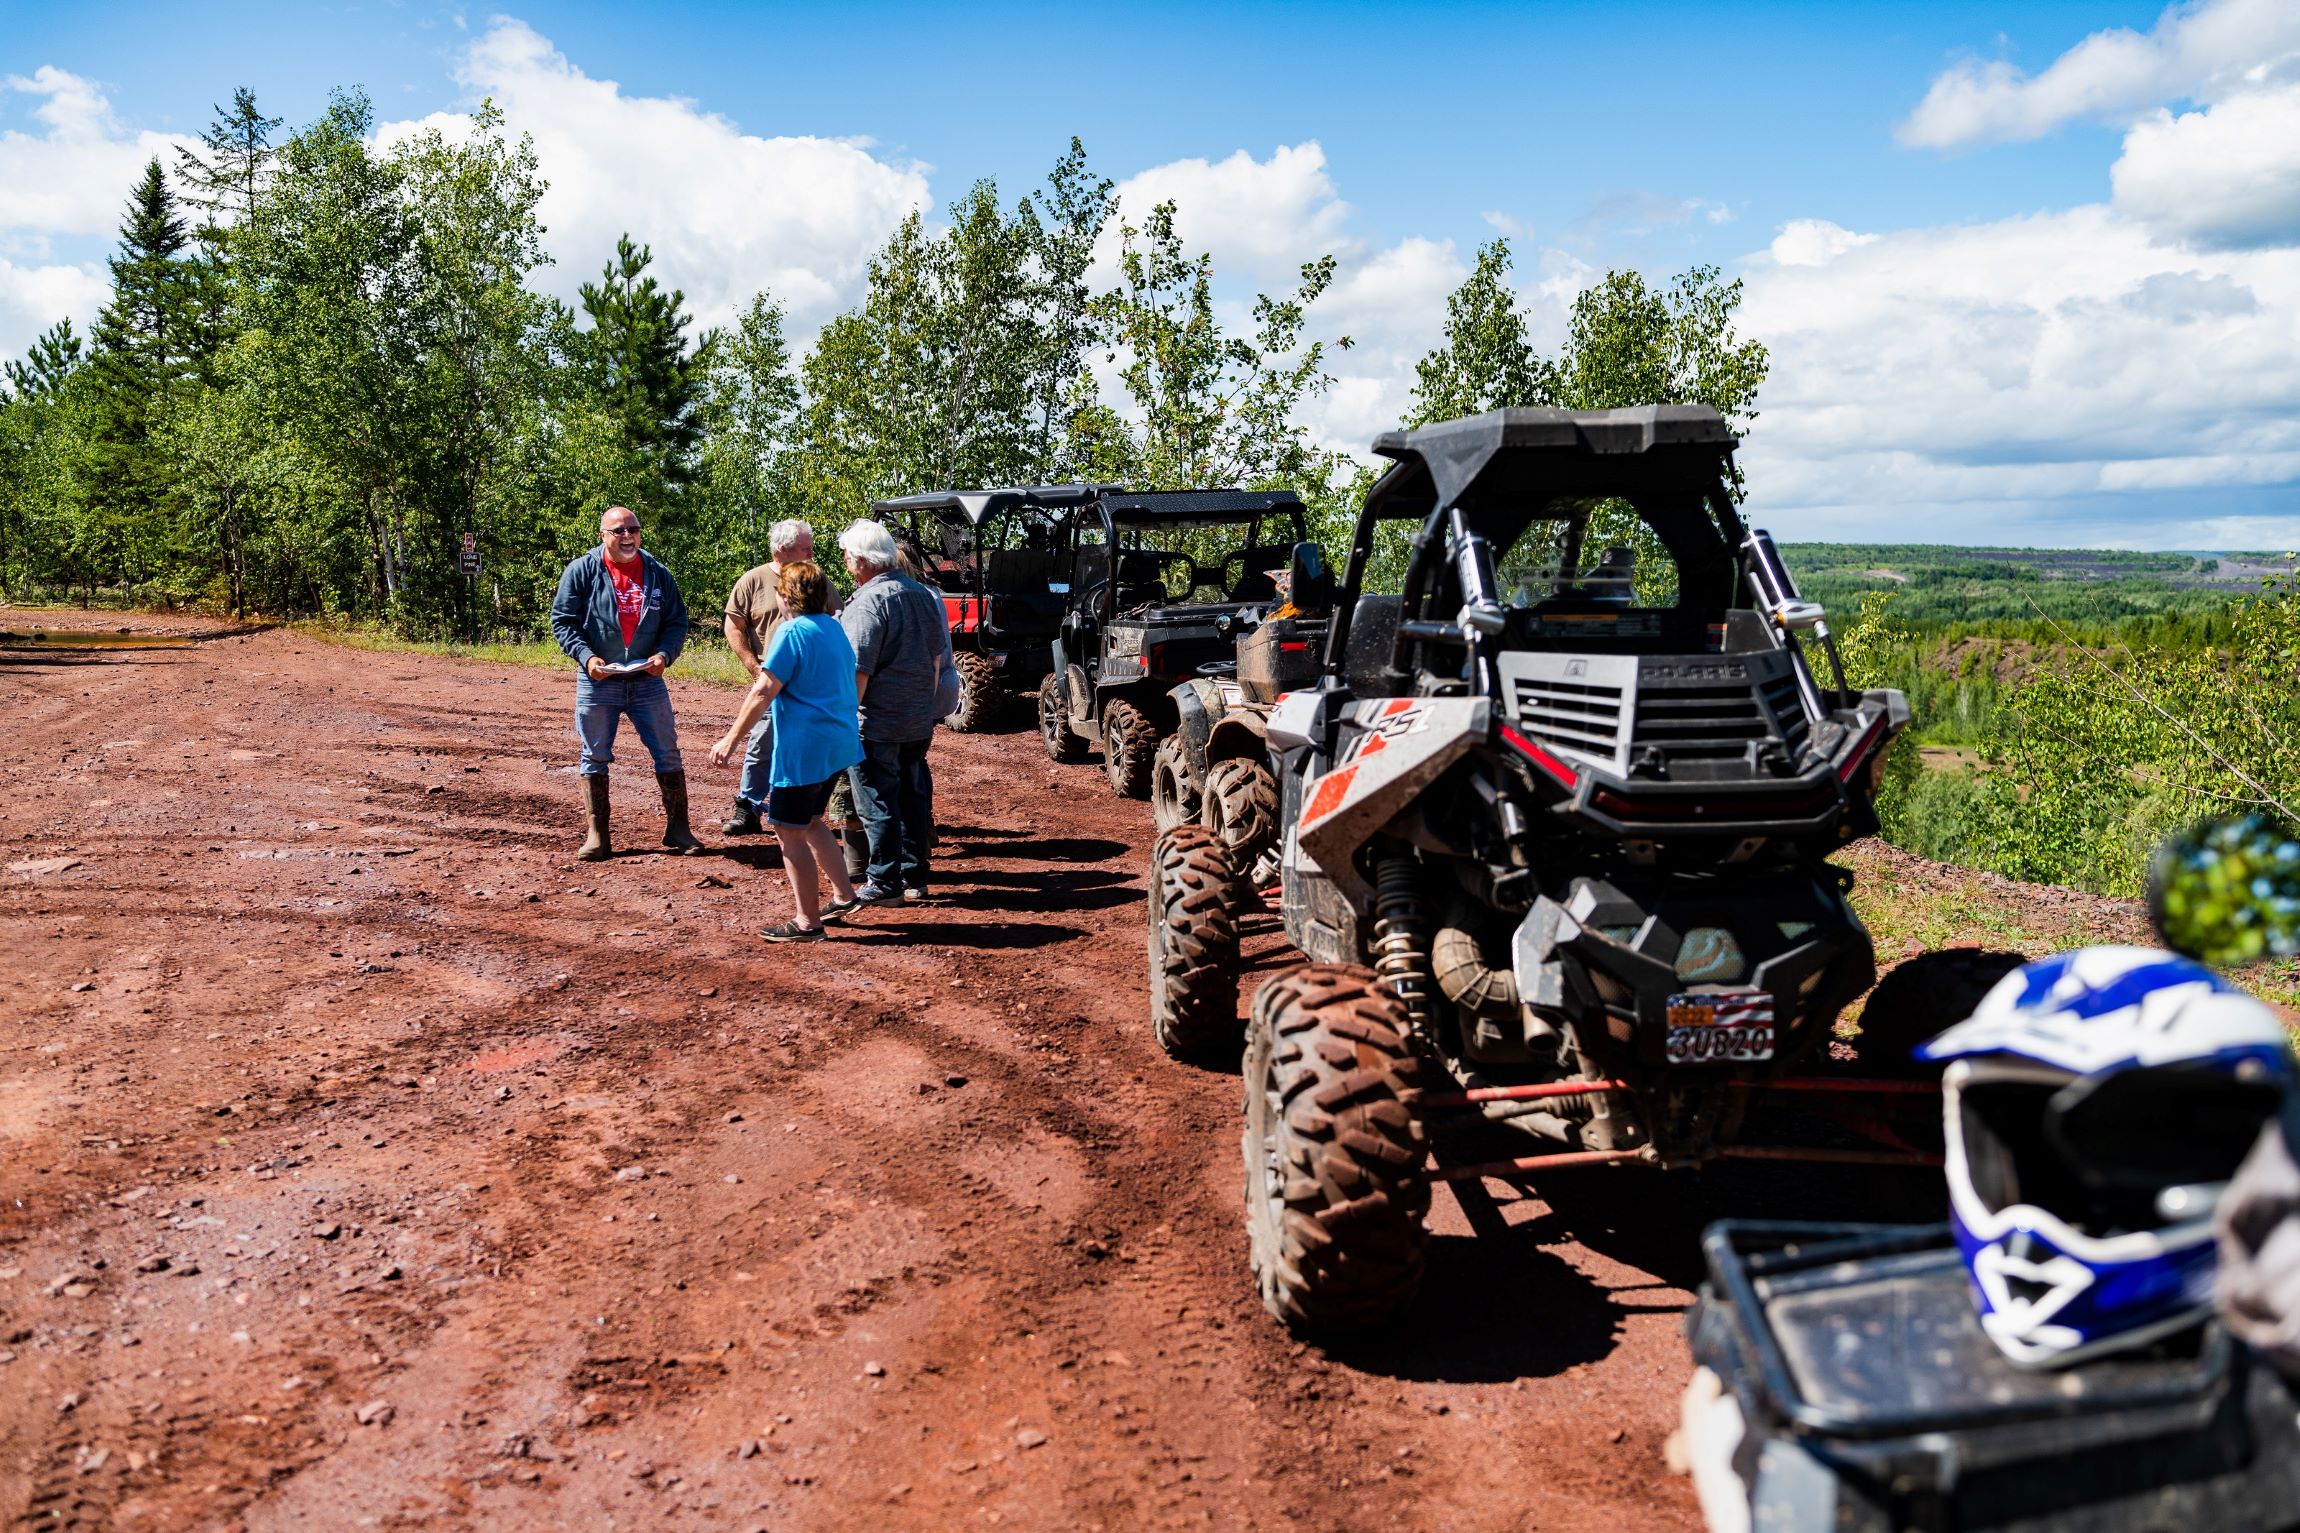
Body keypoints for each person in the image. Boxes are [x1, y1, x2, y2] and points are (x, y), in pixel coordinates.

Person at [709, 561, 861, 942]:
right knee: (810, 820)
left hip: (804, 749)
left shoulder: (791, 632)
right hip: (837, 744)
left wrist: (730, 740)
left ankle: (807, 922)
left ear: (783, 596)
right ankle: (844, 895)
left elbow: (763, 690)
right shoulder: (833, 627)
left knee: (786, 829)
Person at [549, 505, 701, 861]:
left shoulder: (658, 573)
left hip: (647, 679)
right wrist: (587, 658)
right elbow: (563, 621)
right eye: (618, 530)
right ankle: (597, 835)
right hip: (599, 680)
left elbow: (677, 621)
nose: (627, 536)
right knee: (594, 755)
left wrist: (665, 654)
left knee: (667, 751)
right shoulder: (583, 570)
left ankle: (679, 829)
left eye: (633, 529)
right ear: (603, 535)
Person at [838, 519, 949, 904]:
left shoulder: (867, 602)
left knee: (876, 800)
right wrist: (923, 706)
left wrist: (846, 719)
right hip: (916, 719)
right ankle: (914, 877)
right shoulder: (922, 595)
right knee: (912, 798)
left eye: (848, 554)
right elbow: (935, 660)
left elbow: (858, 668)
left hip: (877, 721)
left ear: (862, 559)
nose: (846, 561)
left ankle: (884, 882)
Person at [719, 519, 839, 837]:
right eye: (805, 548)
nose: (812, 553)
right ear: (783, 549)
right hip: (771, 674)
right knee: (762, 742)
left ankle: (806, 810)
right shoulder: (753, 580)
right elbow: (733, 625)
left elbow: (837, 618)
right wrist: (752, 665)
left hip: (808, 681)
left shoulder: (816, 579)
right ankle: (747, 808)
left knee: (804, 745)